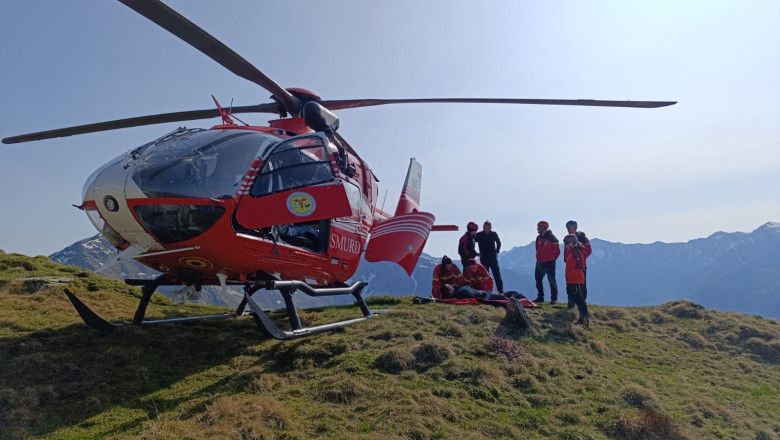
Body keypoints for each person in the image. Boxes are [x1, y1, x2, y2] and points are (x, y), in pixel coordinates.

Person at [564, 234, 590, 327]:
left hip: (576, 280)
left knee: (580, 300)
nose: (567, 245)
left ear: (573, 242)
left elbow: (579, 266)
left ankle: (584, 320)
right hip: (572, 280)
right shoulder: (573, 251)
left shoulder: (576, 252)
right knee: (575, 298)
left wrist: (571, 275)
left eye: (568, 243)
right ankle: (580, 319)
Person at [564, 220, 592, 308]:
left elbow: (588, 251)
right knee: (570, 285)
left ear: (575, 227)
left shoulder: (582, 238)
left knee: (581, 286)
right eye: (567, 228)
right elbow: (566, 252)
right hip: (570, 266)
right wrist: (567, 260)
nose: (568, 230)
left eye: (570, 228)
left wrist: (579, 259)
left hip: (580, 266)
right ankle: (571, 304)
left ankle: (582, 303)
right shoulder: (568, 239)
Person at [534, 221, 560, 304]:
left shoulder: (552, 238)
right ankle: (540, 297)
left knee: (551, 280)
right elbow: (537, 249)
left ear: (543, 228)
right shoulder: (538, 238)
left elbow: (557, 252)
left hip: (549, 262)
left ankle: (554, 299)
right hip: (539, 263)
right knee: (538, 279)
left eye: (538, 227)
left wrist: (552, 259)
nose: (537, 229)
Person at [475, 220, 504, 293]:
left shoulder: (494, 234)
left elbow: (498, 242)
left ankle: (501, 291)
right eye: (485, 228)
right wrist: (476, 253)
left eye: (488, 229)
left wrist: (497, 251)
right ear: (483, 228)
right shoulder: (479, 235)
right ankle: (486, 293)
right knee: (485, 277)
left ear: (491, 228)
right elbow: (471, 242)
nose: (486, 230)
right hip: (484, 259)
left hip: (493, 258)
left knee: (497, 275)